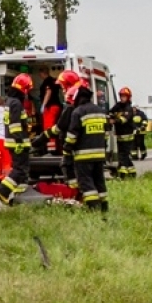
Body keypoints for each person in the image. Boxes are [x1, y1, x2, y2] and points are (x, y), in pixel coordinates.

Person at [63, 82, 110, 212]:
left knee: (86, 182)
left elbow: (73, 134)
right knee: (99, 181)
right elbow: (105, 134)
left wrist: (67, 148)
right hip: (100, 155)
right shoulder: (100, 111)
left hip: (83, 156)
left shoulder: (78, 112)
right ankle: (104, 207)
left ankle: (93, 208)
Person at [0, 73, 35, 205]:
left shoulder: (10, 101)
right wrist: (20, 142)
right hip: (17, 143)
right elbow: (15, 124)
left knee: (22, 171)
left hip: (12, 141)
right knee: (19, 170)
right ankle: (3, 191)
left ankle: (19, 198)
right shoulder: (16, 103)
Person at [108, 86, 141, 179]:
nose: (122, 98)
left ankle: (122, 174)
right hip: (119, 136)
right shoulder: (118, 106)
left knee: (123, 155)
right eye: (121, 96)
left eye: (124, 96)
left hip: (128, 136)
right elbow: (110, 112)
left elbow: (124, 120)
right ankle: (132, 172)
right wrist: (110, 116)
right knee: (123, 155)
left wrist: (114, 121)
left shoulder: (128, 108)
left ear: (128, 97)